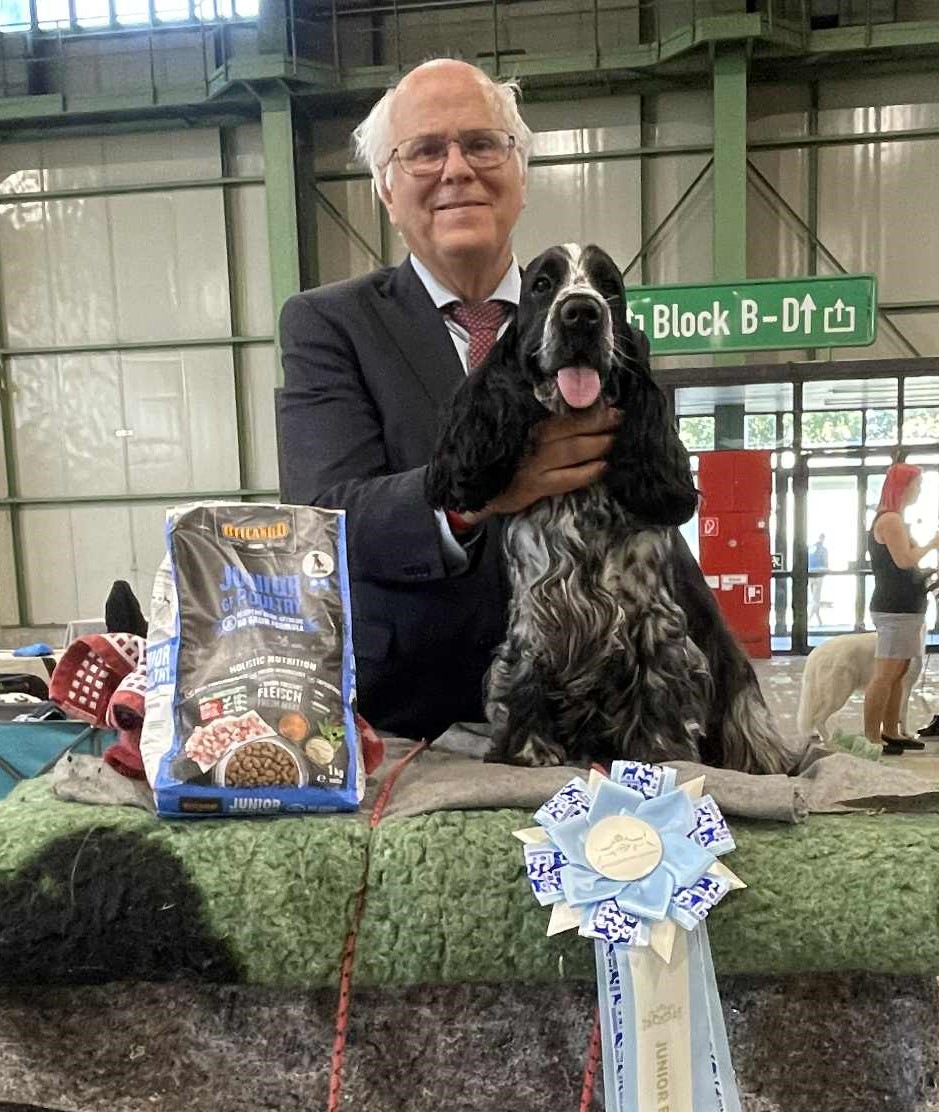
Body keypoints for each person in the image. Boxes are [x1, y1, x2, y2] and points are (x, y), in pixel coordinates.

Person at [278, 59, 622, 739]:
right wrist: (484, 489)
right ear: (385, 186)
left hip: (592, 711)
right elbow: (325, 517)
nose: (457, 169)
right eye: (425, 151)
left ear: (520, 173)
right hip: (405, 719)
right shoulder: (328, 323)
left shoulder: (595, 320)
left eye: (482, 144)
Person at [863, 463, 939, 754]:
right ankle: (872, 736)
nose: (919, 491)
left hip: (906, 606)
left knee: (899, 672)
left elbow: (909, 567)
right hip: (894, 608)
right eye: (917, 485)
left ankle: (891, 730)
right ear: (903, 487)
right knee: (886, 673)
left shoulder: (896, 520)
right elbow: (904, 561)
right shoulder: (891, 520)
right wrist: (933, 543)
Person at [807, 532, 828, 626]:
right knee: (816, 598)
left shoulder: (810, 548)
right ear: (823, 539)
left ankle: (819, 619)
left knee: (815, 598)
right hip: (819, 573)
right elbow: (825, 562)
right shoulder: (823, 549)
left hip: (810, 573)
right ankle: (809, 619)